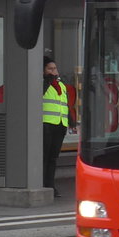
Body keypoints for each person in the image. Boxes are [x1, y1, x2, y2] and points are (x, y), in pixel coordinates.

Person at [42, 58, 73, 196]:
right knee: (44, 156)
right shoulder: (43, 84)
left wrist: (71, 122)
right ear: (43, 70)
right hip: (46, 124)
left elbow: (64, 105)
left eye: (55, 68)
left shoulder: (61, 85)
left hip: (60, 124)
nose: (54, 71)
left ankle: (50, 185)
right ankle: (43, 184)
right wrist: (47, 80)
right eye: (50, 69)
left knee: (53, 158)